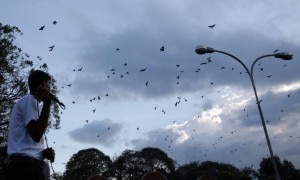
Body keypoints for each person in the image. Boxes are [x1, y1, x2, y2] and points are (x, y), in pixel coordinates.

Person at [6, 70, 55, 180]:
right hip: (25, 168)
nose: (50, 89)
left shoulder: (31, 103)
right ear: (41, 86)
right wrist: (47, 104)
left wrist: (42, 153)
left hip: (26, 166)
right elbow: (36, 134)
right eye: (48, 85)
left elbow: (29, 140)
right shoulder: (29, 100)